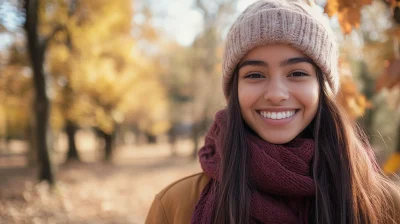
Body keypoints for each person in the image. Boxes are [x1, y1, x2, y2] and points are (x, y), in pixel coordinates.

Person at [145, 0, 400, 223]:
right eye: (255, 75)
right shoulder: (175, 207)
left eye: (297, 73)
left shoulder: (384, 205)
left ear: (322, 88)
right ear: (234, 91)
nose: (276, 93)